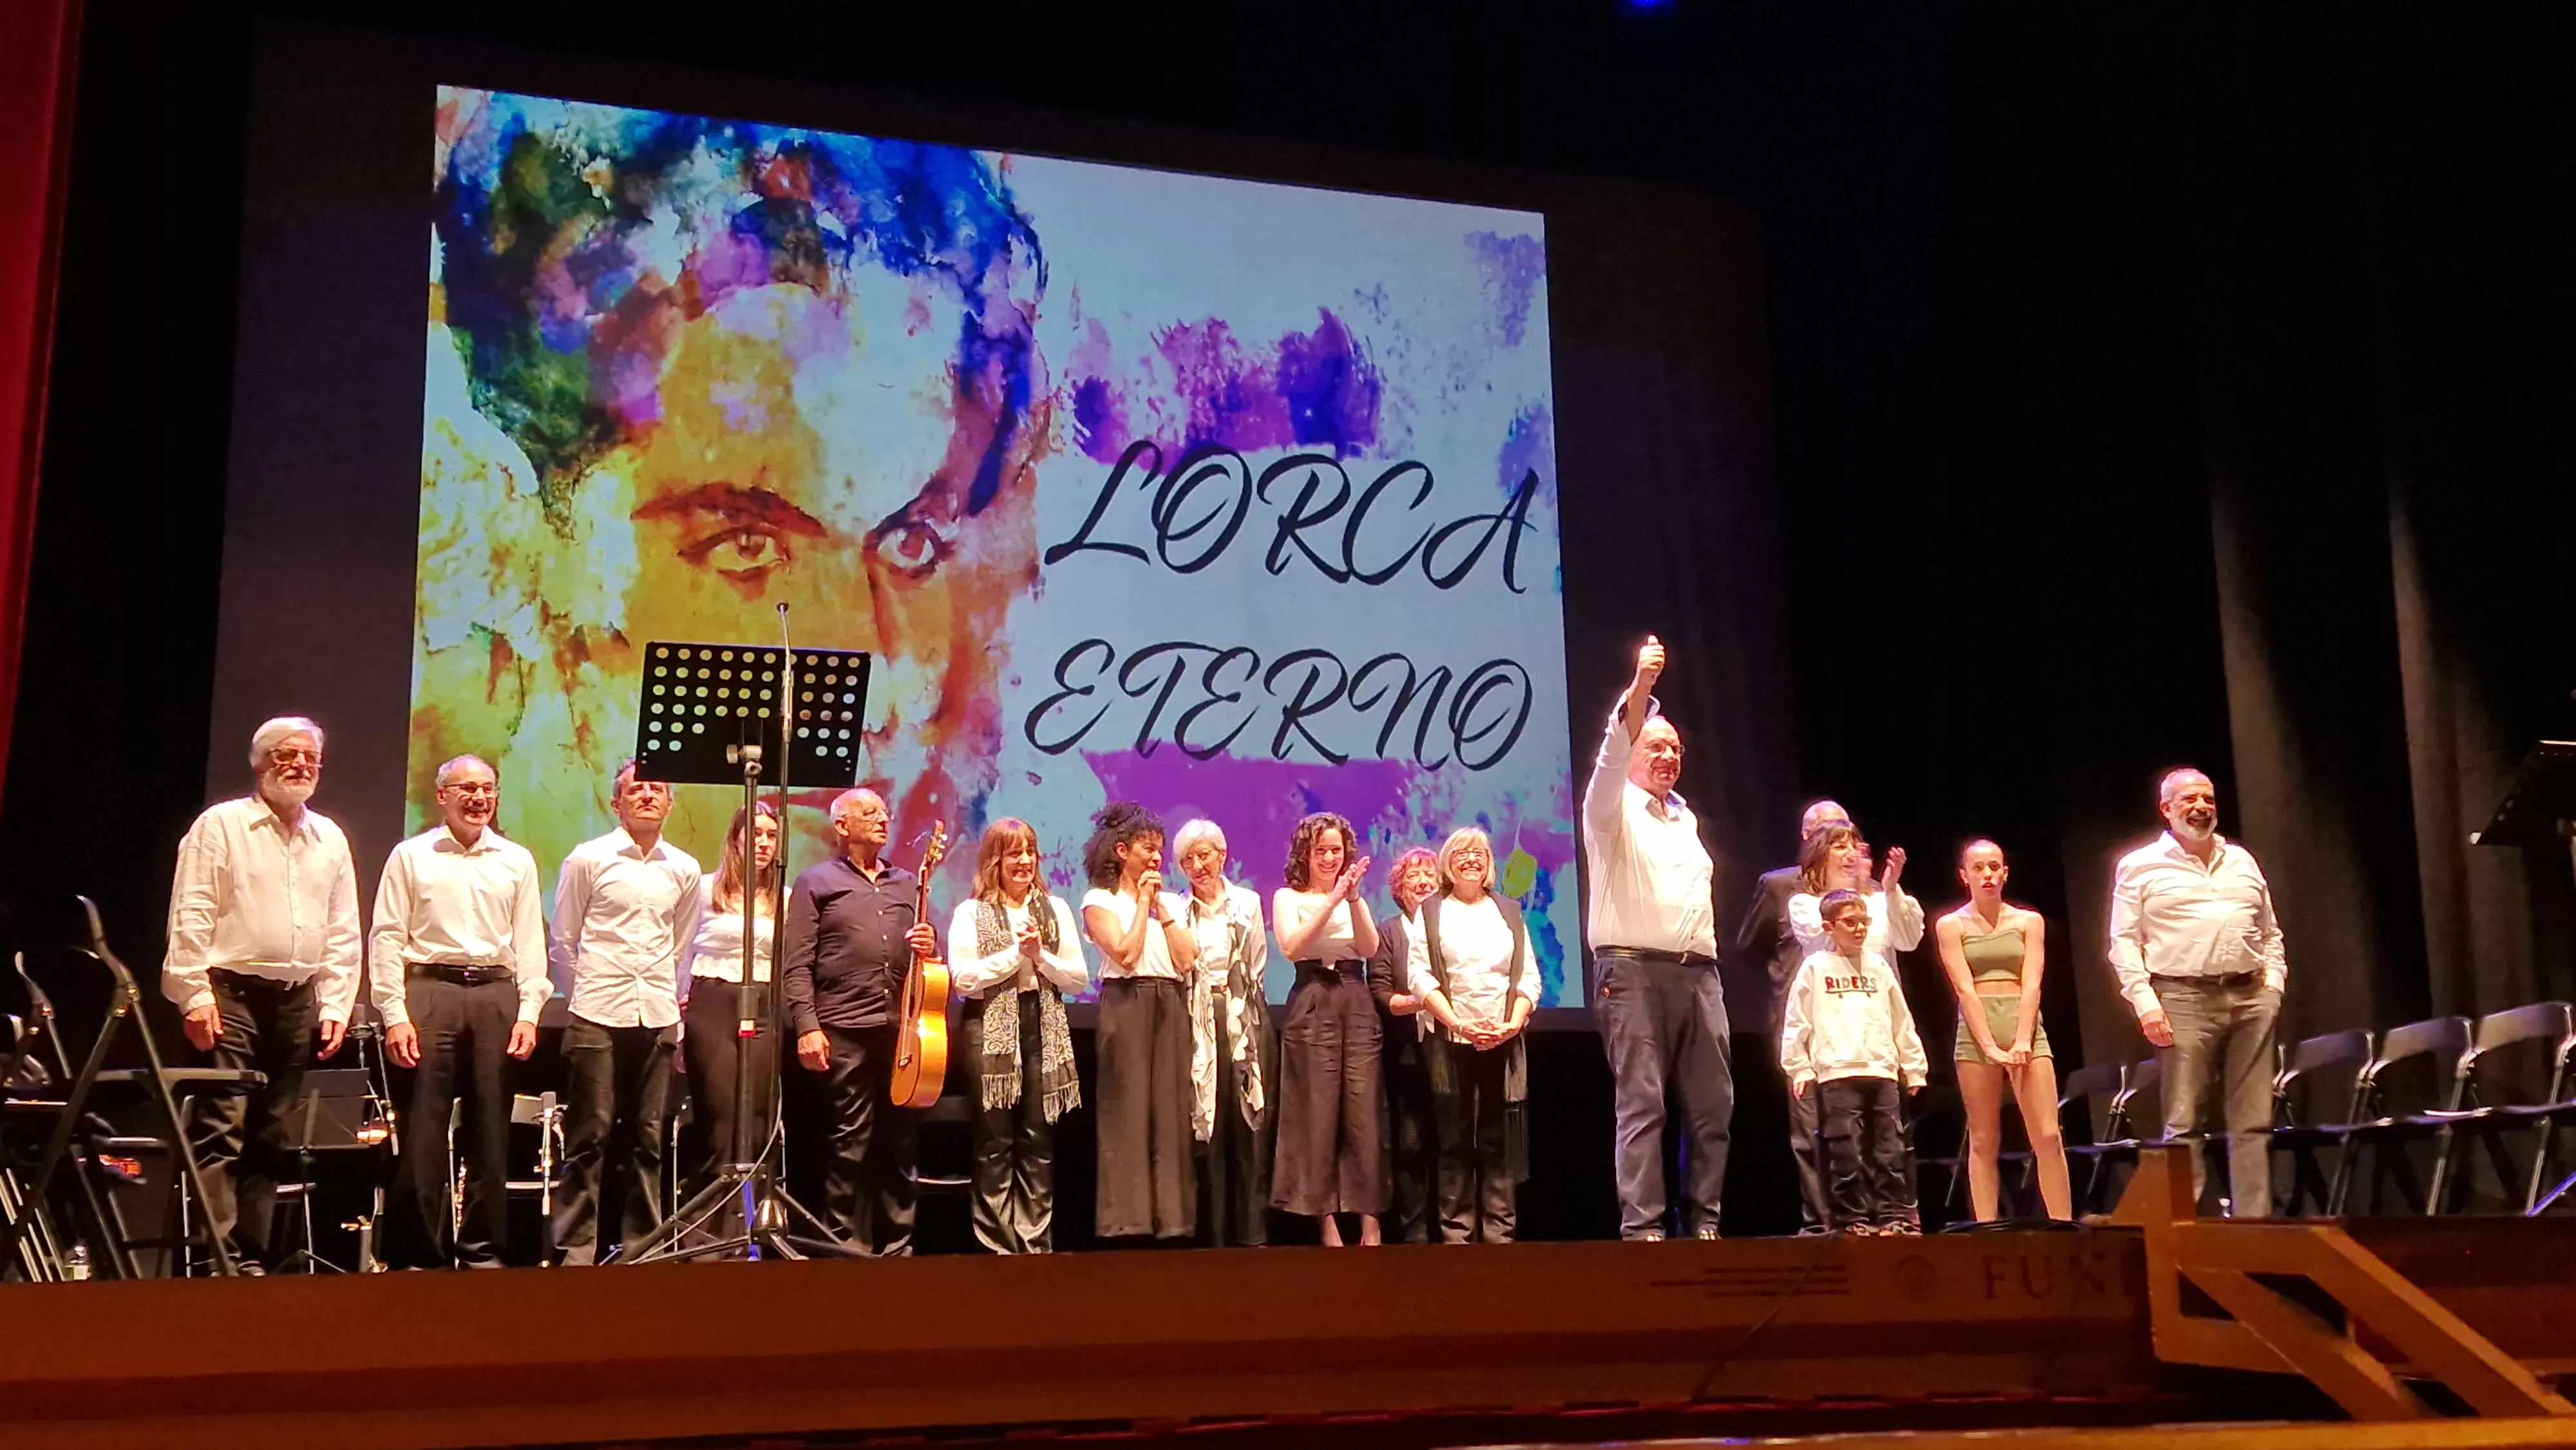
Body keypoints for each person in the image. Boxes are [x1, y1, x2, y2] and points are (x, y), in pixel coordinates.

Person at [162, 716, 363, 1274]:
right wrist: (193, 994)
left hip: (297, 998)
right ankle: (217, 1259)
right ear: (260, 763)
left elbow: (344, 928)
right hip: (229, 994)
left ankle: (251, 1257)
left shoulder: (330, 837)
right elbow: (191, 911)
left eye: (309, 757)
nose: (299, 765)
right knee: (222, 1125)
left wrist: (338, 1003)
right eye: (285, 755)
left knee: (272, 1132)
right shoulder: (221, 825)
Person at [1580, 635, 1732, 1241]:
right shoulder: (1610, 808)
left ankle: (1704, 1224)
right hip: (1633, 970)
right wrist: (1642, 686)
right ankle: (1643, 1230)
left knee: (1713, 1107)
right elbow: (1613, 751)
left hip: (1699, 974)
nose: (1668, 755)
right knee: (1644, 1104)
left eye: (1675, 748)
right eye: (1656, 745)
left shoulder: (1686, 818)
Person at [370, 755, 548, 1268]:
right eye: (466, 788)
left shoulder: (516, 860)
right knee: (423, 1131)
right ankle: (421, 1257)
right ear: (442, 795)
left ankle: (482, 1254)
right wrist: (394, 1013)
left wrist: (530, 1010)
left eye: (488, 788)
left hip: (496, 993)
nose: (479, 798)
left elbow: (531, 942)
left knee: (491, 1131)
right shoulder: (411, 855)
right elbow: (386, 936)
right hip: (430, 991)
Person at [2110, 767, 2286, 1218]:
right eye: (2189, 800)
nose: (2200, 807)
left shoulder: (2242, 860)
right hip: (2182, 998)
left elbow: (2270, 932)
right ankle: (2188, 1230)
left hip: (2250, 996)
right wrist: (2146, 1003)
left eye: (2207, 799)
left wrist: (2273, 985)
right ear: (2166, 809)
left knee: (2254, 1121)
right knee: (2184, 1121)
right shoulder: (2139, 866)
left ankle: (2256, 1224)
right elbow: (2124, 942)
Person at [545, 760, 703, 1265]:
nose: (647, 796)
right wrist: (585, 997)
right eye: (635, 789)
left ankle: (644, 1250)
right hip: (597, 1012)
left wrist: (668, 1004)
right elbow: (563, 940)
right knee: (589, 1137)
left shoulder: (684, 868)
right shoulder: (588, 859)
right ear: (617, 803)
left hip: (655, 1014)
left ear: (670, 803)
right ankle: (575, 1251)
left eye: (656, 789)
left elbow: (680, 947)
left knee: (649, 1138)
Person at [782, 787, 941, 1256]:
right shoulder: (816, 882)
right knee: (848, 1143)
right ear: (842, 826)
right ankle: (844, 1246)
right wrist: (807, 1025)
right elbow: (797, 964)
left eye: (885, 813)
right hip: (843, 1028)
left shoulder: (908, 883)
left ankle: (898, 1247)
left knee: (901, 1146)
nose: (882, 819)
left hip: (900, 1032)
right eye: (869, 813)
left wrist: (931, 945)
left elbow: (930, 961)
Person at [945, 818, 1088, 1254]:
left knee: (1038, 1140)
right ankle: (997, 1247)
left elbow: (1079, 980)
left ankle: (1034, 1245)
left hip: (1043, 1024)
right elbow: (965, 980)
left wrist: (1039, 956)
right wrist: (1015, 956)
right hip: (988, 1028)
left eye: (1030, 851)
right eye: (1014, 853)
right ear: (995, 861)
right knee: (994, 1141)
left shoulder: (1055, 908)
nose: (1024, 861)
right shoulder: (972, 912)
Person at [1407, 827, 1539, 1243]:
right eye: (1461, 852)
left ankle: (1501, 1235)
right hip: (1449, 1042)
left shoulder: (1509, 911)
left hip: (1502, 1039)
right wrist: (1456, 1023)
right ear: (1447, 862)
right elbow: (1419, 976)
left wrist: (1513, 1023)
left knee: (1502, 1139)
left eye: (1479, 852)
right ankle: (1457, 1234)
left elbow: (1529, 977)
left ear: (1489, 863)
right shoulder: (1430, 912)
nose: (1471, 859)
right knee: (1454, 1139)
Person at [1732, 798, 1854, 1234]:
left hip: (1855, 1020)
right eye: (1827, 830)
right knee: (1810, 1127)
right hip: (1800, 1020)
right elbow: (1749, 946)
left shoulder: (1865, 890)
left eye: (1845, 829)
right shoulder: (1781, 886)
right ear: (1807, 837)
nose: (1840, 841)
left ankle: (1862, 1215)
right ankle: (1821, 1222)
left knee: (1858, 1121)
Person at [1081, 802, 1201, 1241]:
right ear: (1121, 850)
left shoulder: (1170, 903)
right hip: (1126, 1002)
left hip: (1169, 1001)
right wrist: (1144, 901)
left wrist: (1163, 910)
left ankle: (1173, 1220)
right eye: (1148, 850)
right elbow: (1126, 954)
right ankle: (1126, 1220)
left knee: (1169, 1110)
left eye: (1159, 850)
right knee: (1127, 1110)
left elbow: (1187, 959)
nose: (1156, 859)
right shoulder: (1100, 900)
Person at [1935, 840, 2071, 1221]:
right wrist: (1990, 1047)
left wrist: (2024, 1038)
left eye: (1994, 867)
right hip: (1978, 1031)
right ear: (1965, 876)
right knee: (1983, 1138)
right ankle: (1987, 1227)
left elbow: (2033, 983)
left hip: (2024, 1024)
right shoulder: (1950, 925)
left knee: (2047, 1134)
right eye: (1978, 868)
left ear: (2005, 872)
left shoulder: (2029, 921)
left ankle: (2062, 1223)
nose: (1988, 875)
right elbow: (1963, 988)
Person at [1781, 889, 1928, 1235]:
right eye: (1851, 922)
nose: (1860, 929)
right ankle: (1852, 1220)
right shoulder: (1815, 967)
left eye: (1864, 921)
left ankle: (1894, 1216)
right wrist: (1799, 1066)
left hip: (1881, 1071)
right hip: (1837, 1073)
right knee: (1845, 1152)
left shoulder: (1878, 966)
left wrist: (1914, 1066)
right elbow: (1796, 1020)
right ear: (1829, 927)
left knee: (1890, 1148)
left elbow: (1900, 1020)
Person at [1271, 812, 1387, 1247]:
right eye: (1321, 850)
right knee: (1316, 1112)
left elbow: (1369, 947)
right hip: (1313, 994)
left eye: (1336, 850)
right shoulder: (1288, 897)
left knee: (1363, 1108)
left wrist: (1352, 898)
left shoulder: (1355, 896)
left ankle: (1370, 1220)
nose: (1329, 857)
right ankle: (1325, 1221)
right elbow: (1292, 946)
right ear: (1305, 853)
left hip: (1354, 996)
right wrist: (1333, 899)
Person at [1173, 818, 1274, 1246]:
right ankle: (1212, 1238)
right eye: (1189, 859)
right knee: (1207, 1127)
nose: (1199, 865)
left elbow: (1256, 962)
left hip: (1243, 1019)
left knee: (1248, 1123)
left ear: (1222, 855)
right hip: (1196, 1019)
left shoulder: (1247, 902)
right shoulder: (1175, 909)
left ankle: (1253, 1234)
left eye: (1205, 855)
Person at [677, 800, 782, 1200]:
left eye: (772, 836)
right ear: (735, 838)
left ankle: (752, 1224)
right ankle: (714, 1230)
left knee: (757, 1118)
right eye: (755, 834)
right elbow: (681, 950)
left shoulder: (784, 897)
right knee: (720, 1116)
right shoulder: (705, 890)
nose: (764, 843)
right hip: (712, 1003)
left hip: (764, 1003)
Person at [1368, 846, 1441, 1244]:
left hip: (1454, 1053)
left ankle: (1453, 1229)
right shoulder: (1388, 932)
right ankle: (1416, 1234)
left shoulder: (1455, 929)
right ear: (1400, 888)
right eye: (1414, 875)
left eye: (1430, 873)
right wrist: (1426, 1000)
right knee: (1411, 1146)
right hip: (1409, 1058)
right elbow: (1381, 993)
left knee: (1452, 1143)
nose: (1423, 880)